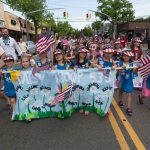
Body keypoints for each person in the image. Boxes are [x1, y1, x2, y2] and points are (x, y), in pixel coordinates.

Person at [71, 47, 91, 116]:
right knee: (78, 94)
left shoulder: (87, 61)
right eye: (82, 52)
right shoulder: (74, 61)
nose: (84, 54)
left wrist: (98, 67)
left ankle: (87, 107)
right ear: (79, 53)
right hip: (77, 81)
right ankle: (81, 106)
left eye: (85, 53)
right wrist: (73, 68)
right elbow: (69, 69)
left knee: (86, 94)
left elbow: (93, 66)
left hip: (86, 80)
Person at [117, 51, 137, 116]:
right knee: (121, 91)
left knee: (129, 94)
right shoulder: (120, 63)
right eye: (124, 56)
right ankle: (120, 100)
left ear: (130, 57)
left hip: (129, 81)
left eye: (127, 56)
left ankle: (128, 108)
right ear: (122, 56)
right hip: (122, 80)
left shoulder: (132, 64)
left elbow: (134, 72)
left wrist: (137, 68)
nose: (126, 57)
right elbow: (118, 71)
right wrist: (121, 68)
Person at [1, 55, 20, 119]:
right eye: (7, 61)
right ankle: (14, 112)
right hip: (9, 88)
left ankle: (18, 110)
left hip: (16, 88)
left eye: (10, 61)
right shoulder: (4, 70)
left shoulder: (16, 69)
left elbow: (21, 75)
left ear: (13, 62)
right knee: (12, 100)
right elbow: (2, 76)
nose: (9, 62)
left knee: (17, 100)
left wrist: (17, 73)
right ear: (5, 63)